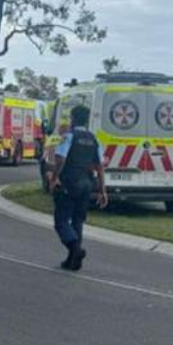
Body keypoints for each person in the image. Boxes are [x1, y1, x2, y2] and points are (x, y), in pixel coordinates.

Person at [47, 105, 108, 271]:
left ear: (73, 119)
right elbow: (100, 166)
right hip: (87, 184)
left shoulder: (69, 137)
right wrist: (103, 190)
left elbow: (60, 159)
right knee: (78, 221)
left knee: (61, 221)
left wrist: (54, 178)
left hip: (69, 182)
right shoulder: (94, 139)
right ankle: (72, 261)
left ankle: (75, 249)